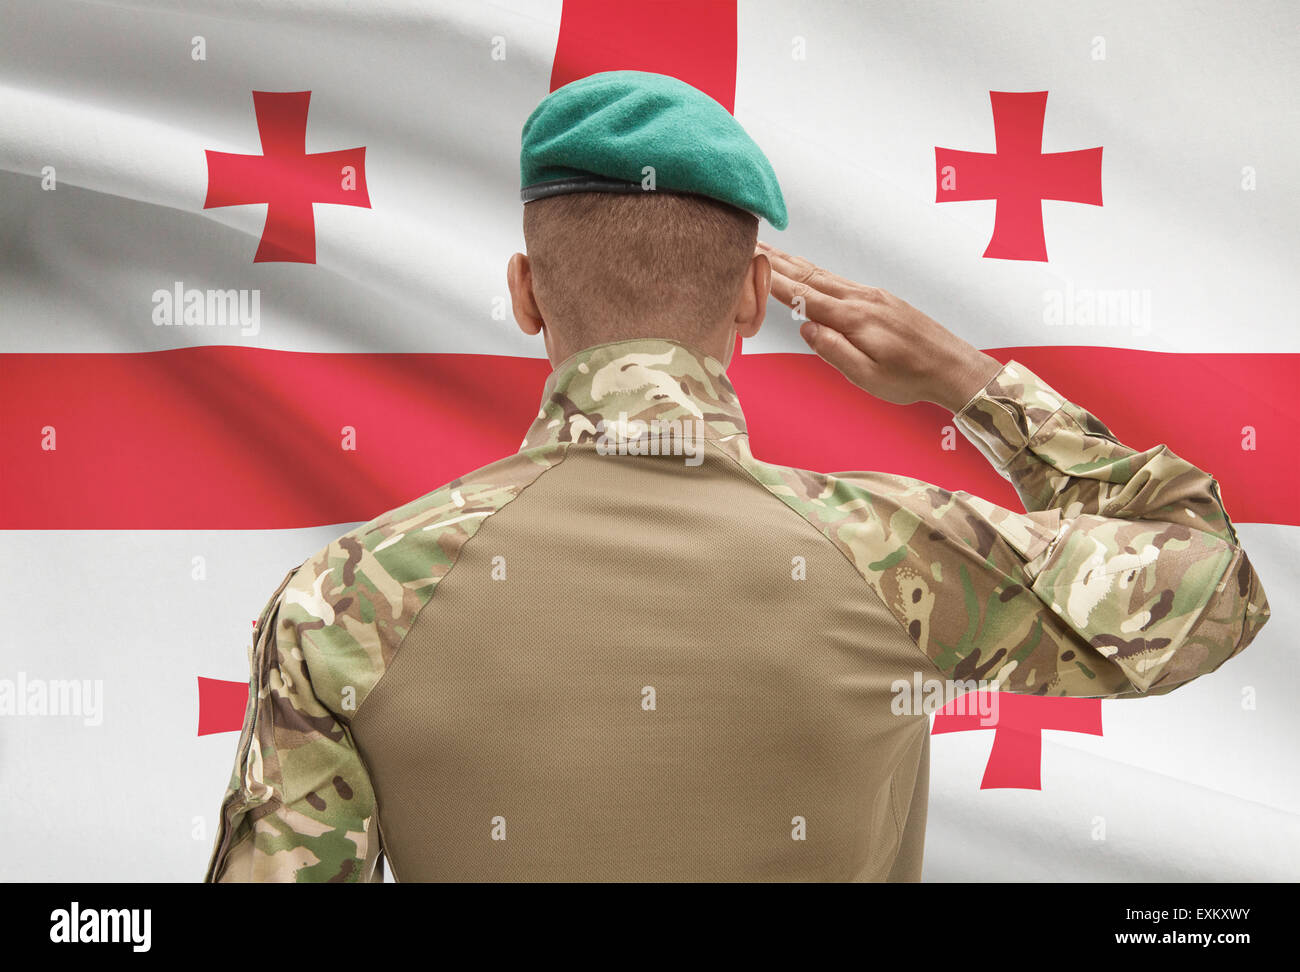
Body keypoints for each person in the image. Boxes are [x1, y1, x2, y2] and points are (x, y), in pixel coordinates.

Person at [204, 71, 1270, 882]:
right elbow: (1213, 584)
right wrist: (966, 380)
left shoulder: (341, 600)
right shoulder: (896, 555)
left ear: (525, 293)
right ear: (756, 295)